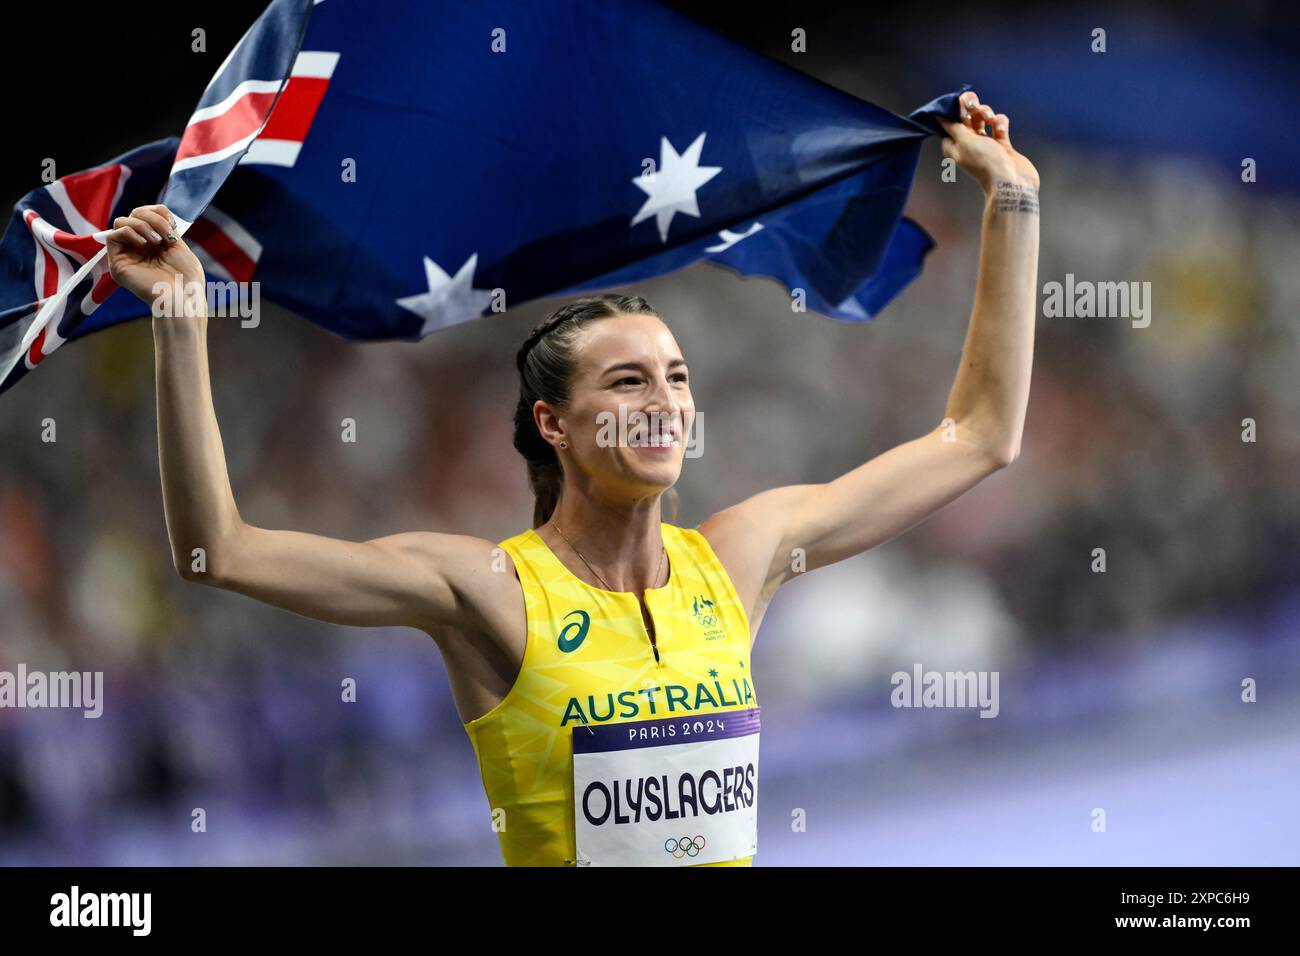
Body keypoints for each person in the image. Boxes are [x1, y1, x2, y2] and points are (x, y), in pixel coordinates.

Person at [106, 90, 1039, 866]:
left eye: (676, 378)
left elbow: (980, 438)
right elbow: (214, 549)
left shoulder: (739, 559)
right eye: (627, 380)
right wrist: (183, 323)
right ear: (554, 423)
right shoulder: (487, 591)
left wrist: (1016, 203)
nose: (665, 401)